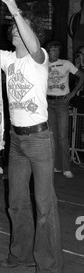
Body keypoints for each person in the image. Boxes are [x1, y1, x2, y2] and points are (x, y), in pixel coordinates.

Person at [0, 0, 63, 273]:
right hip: (17, 141)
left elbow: (34, 46)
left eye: (17, 29)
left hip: (39, 140)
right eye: (10, 29)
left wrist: (14, 8)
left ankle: (47, 267)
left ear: (27, 32)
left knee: (44, 205)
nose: (12, 32)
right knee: (16, 202)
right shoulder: (7, 59)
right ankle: (20, 254)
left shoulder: (40, 58)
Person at [45, 41, 84, 178]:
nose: (56, 52)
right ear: (48, 51)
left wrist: (72, 93)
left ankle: (66, 167)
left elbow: (81, 76)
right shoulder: (43, 64)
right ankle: (55, 165)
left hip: (62, 102)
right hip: (48, 103)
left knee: (62, 137)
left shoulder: (66, 63)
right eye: (53, 50)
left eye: (57, 50)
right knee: (52, 137)